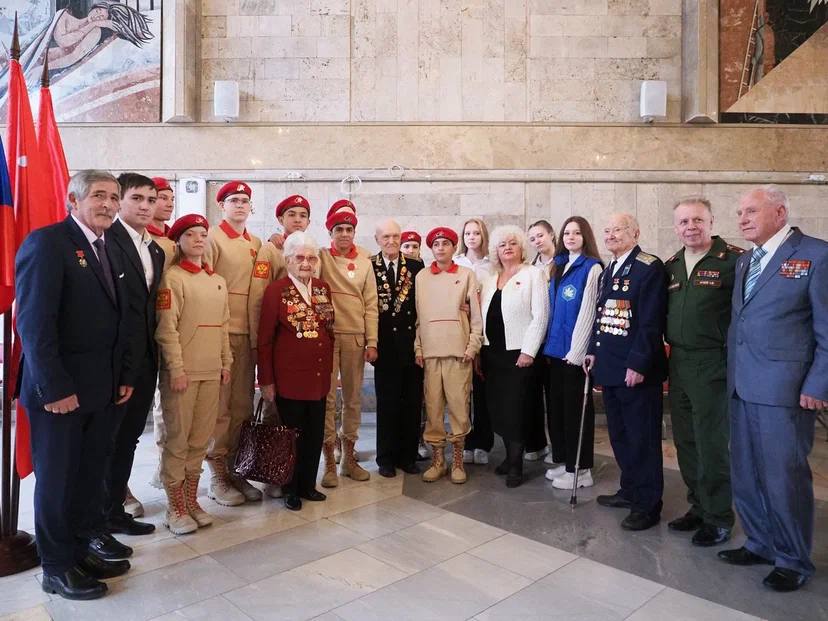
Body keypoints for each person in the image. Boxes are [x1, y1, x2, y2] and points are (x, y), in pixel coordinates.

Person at [15, 170, 137, 600]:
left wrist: (123, 376)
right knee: (58, 480)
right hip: (61, 394)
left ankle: (80, 549)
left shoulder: (110, 249)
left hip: (102, 389)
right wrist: (54, 387)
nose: (108, 204)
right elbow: (34, 324)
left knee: (89, 477)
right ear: (73, 198)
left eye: (113, 197)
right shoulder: (47, 243)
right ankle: (56, 565)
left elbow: (121, 321)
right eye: (99, 196)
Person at [718, 186, 828, 593]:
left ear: (780, 212)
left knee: (784, 477)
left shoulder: (817, 255)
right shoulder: (747, 259)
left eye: (751, 211)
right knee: (746, 474)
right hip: (742, 386)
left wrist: (819, 383)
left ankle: (793, 558)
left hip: (785, 390)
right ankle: (760, 542)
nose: (742, 218)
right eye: (739, 212)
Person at [664, 197, 742, 547]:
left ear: (711, 222)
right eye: (683, 222)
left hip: (714, 362)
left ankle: (719, 517)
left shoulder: (734, 261)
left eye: (697, 220)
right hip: (678, 362)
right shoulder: (673, 264)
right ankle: (698, 506)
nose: (690, 227)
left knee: (711, 443)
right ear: (676, 226)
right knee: (686, 441)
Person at [584, 213, 667, 531]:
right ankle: (631, 490)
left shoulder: (649, 266)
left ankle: (648, 504)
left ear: (636, 232)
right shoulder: (610, 268)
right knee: (619, 435)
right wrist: (592, 349)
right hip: (610, 365)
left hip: (635, 371)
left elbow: (650, 321)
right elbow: (602, 315)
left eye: (618, 229)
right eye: (607, 230)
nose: (611, 234)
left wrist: (638, 363)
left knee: (641, 438)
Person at [156, 214, 232, 535]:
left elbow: (224, 325)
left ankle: (191, 500)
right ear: (179, 241)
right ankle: (175, 507)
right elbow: (166, 329)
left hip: (212, 371)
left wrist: (226, 362)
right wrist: (176, 368)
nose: (199, 239)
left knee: (200, 439)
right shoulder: (173, 278)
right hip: (183, 373)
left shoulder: (217, 280)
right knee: (178, 440)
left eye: (203, 233)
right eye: (191, 234)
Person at [103, 173, 165, 535]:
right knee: (106, 441)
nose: (146, 206)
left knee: (128, 439)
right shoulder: (106, 242)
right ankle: (99, 515)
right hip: (112, 363)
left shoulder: (154, 248)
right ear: (120, 201)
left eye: (151, 199)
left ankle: (113, 511)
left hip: (143, 361)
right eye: (137, 198)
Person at [257, 232, 334, 510]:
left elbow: (329, 331)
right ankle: (289, 487)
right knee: (291, 435)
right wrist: (265, 380)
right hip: (289, 380)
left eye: (311, 258)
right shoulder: (276, 291)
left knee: (314, 434)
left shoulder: (323, 288)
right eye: (299, 258)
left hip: (318, 378)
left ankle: (307, 485)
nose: (306, 263)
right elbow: (264, 340)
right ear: (287, 260)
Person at [204, 181, 263, 506]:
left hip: (247, 334)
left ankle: (237, 468)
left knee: (241, 406)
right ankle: (217, 474)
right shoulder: (212, 238)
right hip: (221, 334)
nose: (240, 205)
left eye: (245, 201)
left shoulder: (256, 243)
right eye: (234, 200)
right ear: (222, 205)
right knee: (220, 409)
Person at [479, 226, 549, 487]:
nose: (507, 248)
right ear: (496, 251)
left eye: (512, 243)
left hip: (519, 354)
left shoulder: (534, 274)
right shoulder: (490, 278)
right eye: (502, 244)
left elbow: (540, 315)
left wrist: (529, 350)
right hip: (493, 353)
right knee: (498, 408)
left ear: (522, 248)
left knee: (516, 409)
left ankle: (516, 464)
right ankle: (509, 457)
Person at [318, 200, 379, 487]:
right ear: (330, 232)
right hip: (327, 337)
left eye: (349, 229)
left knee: (353, 398)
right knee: (327, 399)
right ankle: (329, 458)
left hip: (356, 336)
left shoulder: (366, 262)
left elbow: (371, 305)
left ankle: (349, 457)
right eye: (338, 229)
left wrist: (372, 340)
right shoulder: (319, 258)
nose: (344, 234)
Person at [415, 227, 483, 484]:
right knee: (432, 408)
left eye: (446, 243)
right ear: (431, 249)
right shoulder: (422, 277)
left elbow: (476, 316)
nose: (441, 248)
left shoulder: (466, 275)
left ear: (454, 247)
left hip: (458, 354)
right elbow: (419, 317)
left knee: (458, 407)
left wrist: (472, 346)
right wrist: (418, 348)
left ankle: (457, 460)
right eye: (436, 244)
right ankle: (437, 460)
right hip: (431, 354)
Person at [541, 216, 603, 489]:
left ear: (585, 237)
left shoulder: (592, 267)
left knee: (576, 412)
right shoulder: (558, 265)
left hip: (573, 354)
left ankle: (581, 469)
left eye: (577, 233)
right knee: (558, 410)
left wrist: (577, 353)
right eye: (567, 232)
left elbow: (588, 313)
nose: (571, 237)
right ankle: (565, 462)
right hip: (554, 351)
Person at [371, 219, 425, 477]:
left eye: (396, 236)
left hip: (411, 346)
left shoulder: (415, 266)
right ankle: (386, 459)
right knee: (387, 403)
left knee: (412, 403)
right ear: (377, 239)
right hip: (384, 347)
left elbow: (421, 306)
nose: (391, 241)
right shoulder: (370, 266)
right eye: (386, 237)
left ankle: (408, 456)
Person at [454, 218, 496, 465]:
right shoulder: (457, 263)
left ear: (483, 236)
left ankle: (483, 442)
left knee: (483, 391)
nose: (471, 237)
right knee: (462, 392)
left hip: (486, 333)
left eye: (476, 233)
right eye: (467, 233)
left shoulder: (492, 265)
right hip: (460, 331)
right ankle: (465, 441)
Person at [248, 194, 312, 351]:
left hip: (308, 329)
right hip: (279, 329)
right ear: (280, 219)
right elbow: (258, 296)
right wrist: (258, 340)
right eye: (291, 214)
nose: (297, 220)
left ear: (308, 222)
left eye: (302, 216)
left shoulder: (312, 250)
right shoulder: (270, 250)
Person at [527, 219, 558, 467]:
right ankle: (536, 443)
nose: (537, 241)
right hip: (536, 338)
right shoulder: (531, 267)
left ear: (551, 234)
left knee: (555, 396)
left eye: (540, 236)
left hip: (557, 339)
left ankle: (558, 446)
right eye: (533, 239)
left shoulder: (564, 263)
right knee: (533, 394)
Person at [147, 176, 176, 269]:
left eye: (172, 199)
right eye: (163, 198)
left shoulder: (175, 237)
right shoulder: (141, 236)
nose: (170, 204)